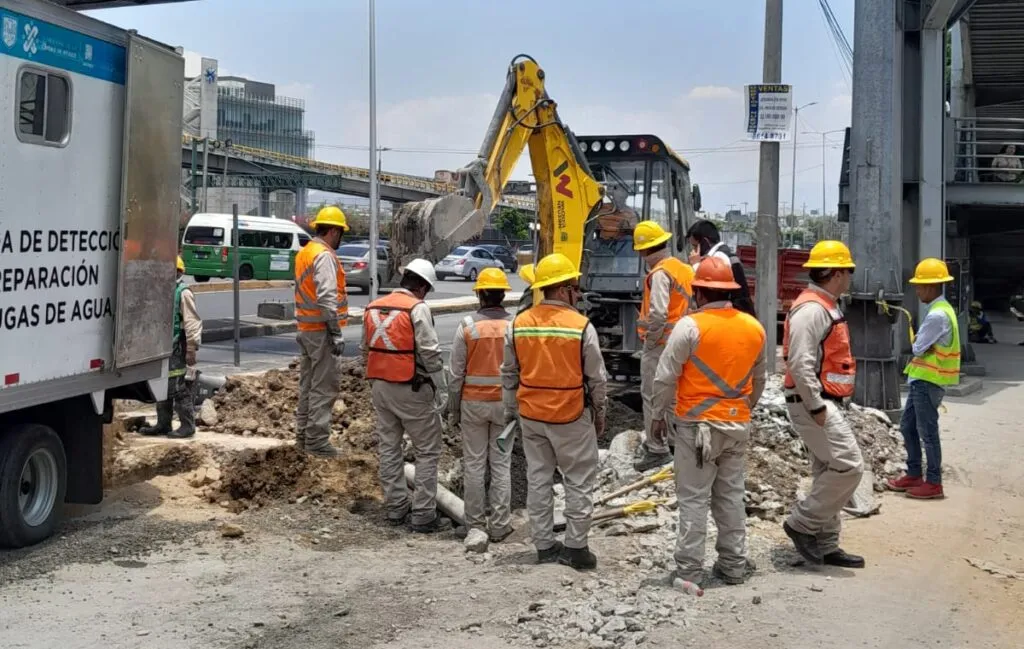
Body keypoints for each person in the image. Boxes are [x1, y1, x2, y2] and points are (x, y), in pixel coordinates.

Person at [651, 257, 766, 585]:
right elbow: (759, 380)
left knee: (693, 499)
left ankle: (689, 571)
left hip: (697, 429)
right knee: (730, 496)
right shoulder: (754, 327)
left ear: (699, 292)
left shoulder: (690, 327)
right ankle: (732, 566)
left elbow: (664, 378)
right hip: (737, 426)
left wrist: (658, 415)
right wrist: (743, 409)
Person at [501, 253, 608, 570]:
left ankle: (545, 546)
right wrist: (599, 414)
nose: (577, 293)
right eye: (574, 287)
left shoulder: (519, 324)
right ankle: (576, 549)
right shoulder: (581, 327)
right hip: (571, 416)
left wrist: (512, 411)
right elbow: (597, 379)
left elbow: (509, 373)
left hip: (533, 416)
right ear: (562, 289)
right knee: (577, 482)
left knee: (538, 480)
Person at [780, 240, 865, 568]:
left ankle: (826, 544)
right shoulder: (813, 309)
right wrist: (816, 406)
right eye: (848, 271)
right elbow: (800, 363)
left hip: (823, 402)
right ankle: (801, 523)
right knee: (849, 465)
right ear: (837, 272)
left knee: (828, 471)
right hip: (813, 404)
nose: (850, 277)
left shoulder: (825, 304)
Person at [362, 259, 449, 532]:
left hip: (380, 386)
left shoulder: (374, 306)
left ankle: (395, 507)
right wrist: (443, 387)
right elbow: (430, 352)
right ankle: (423, 514)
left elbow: (365, 350)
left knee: (389, 448)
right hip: (410, 387)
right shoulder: (417, 308)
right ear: (422, 286)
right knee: (427, 450)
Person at [448, 268, 515, 552]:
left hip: (473, 405)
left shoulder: (467, 326)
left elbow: (455, 375)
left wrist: (453, 410)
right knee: (501, 465)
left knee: (474, 464)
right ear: (503, 294)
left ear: (479, 294)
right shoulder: (515, 326)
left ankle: (474, 524)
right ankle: (500, 525)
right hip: (505, 405)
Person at [886, 258, 961, 501]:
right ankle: (915, 473)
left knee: (927, 432)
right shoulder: (943, 310)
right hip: (923, 380)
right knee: (908, 427)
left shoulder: (937, 316)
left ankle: (933, 482)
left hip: (928, 381)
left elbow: (917, 348)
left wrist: (918, 340)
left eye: (919, 286)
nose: (917, 291)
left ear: (930, 286)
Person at [632, 221, 695, 472]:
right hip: (683, 342)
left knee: (653, 395)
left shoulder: (659, 273)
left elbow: (658, 314)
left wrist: (650, 339)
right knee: (673, 396)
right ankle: (675, 443)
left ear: (643, 250)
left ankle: (656, 449)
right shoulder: (683, 269)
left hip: (661, 344)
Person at [293, 206, 349, 457]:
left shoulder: (306, 252)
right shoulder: (324, 255)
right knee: (324, 388)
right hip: (320, 331)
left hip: (306, 329)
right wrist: (335, 331)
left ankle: (303, 438)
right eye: (341, 233)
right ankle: (317, 442)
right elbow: (327, 298)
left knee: (308, 386)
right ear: (334, 231)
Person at [141, 256, 202, 439]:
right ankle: (163, 423)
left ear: (176, 272)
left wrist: (191, 348)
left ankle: (187, 425)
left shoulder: (183, 292)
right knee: (162, 385)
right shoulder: (162, 291)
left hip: (177, 348)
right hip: (162, 347)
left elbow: (192, 322)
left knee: (178, 387)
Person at [685, 219, 756, 318]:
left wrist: (695, 265)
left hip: (732, 316)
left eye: (695, 246)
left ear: (705, 242)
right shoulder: (724, 253)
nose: (693, 251)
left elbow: (710, 289)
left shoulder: (719, 257)